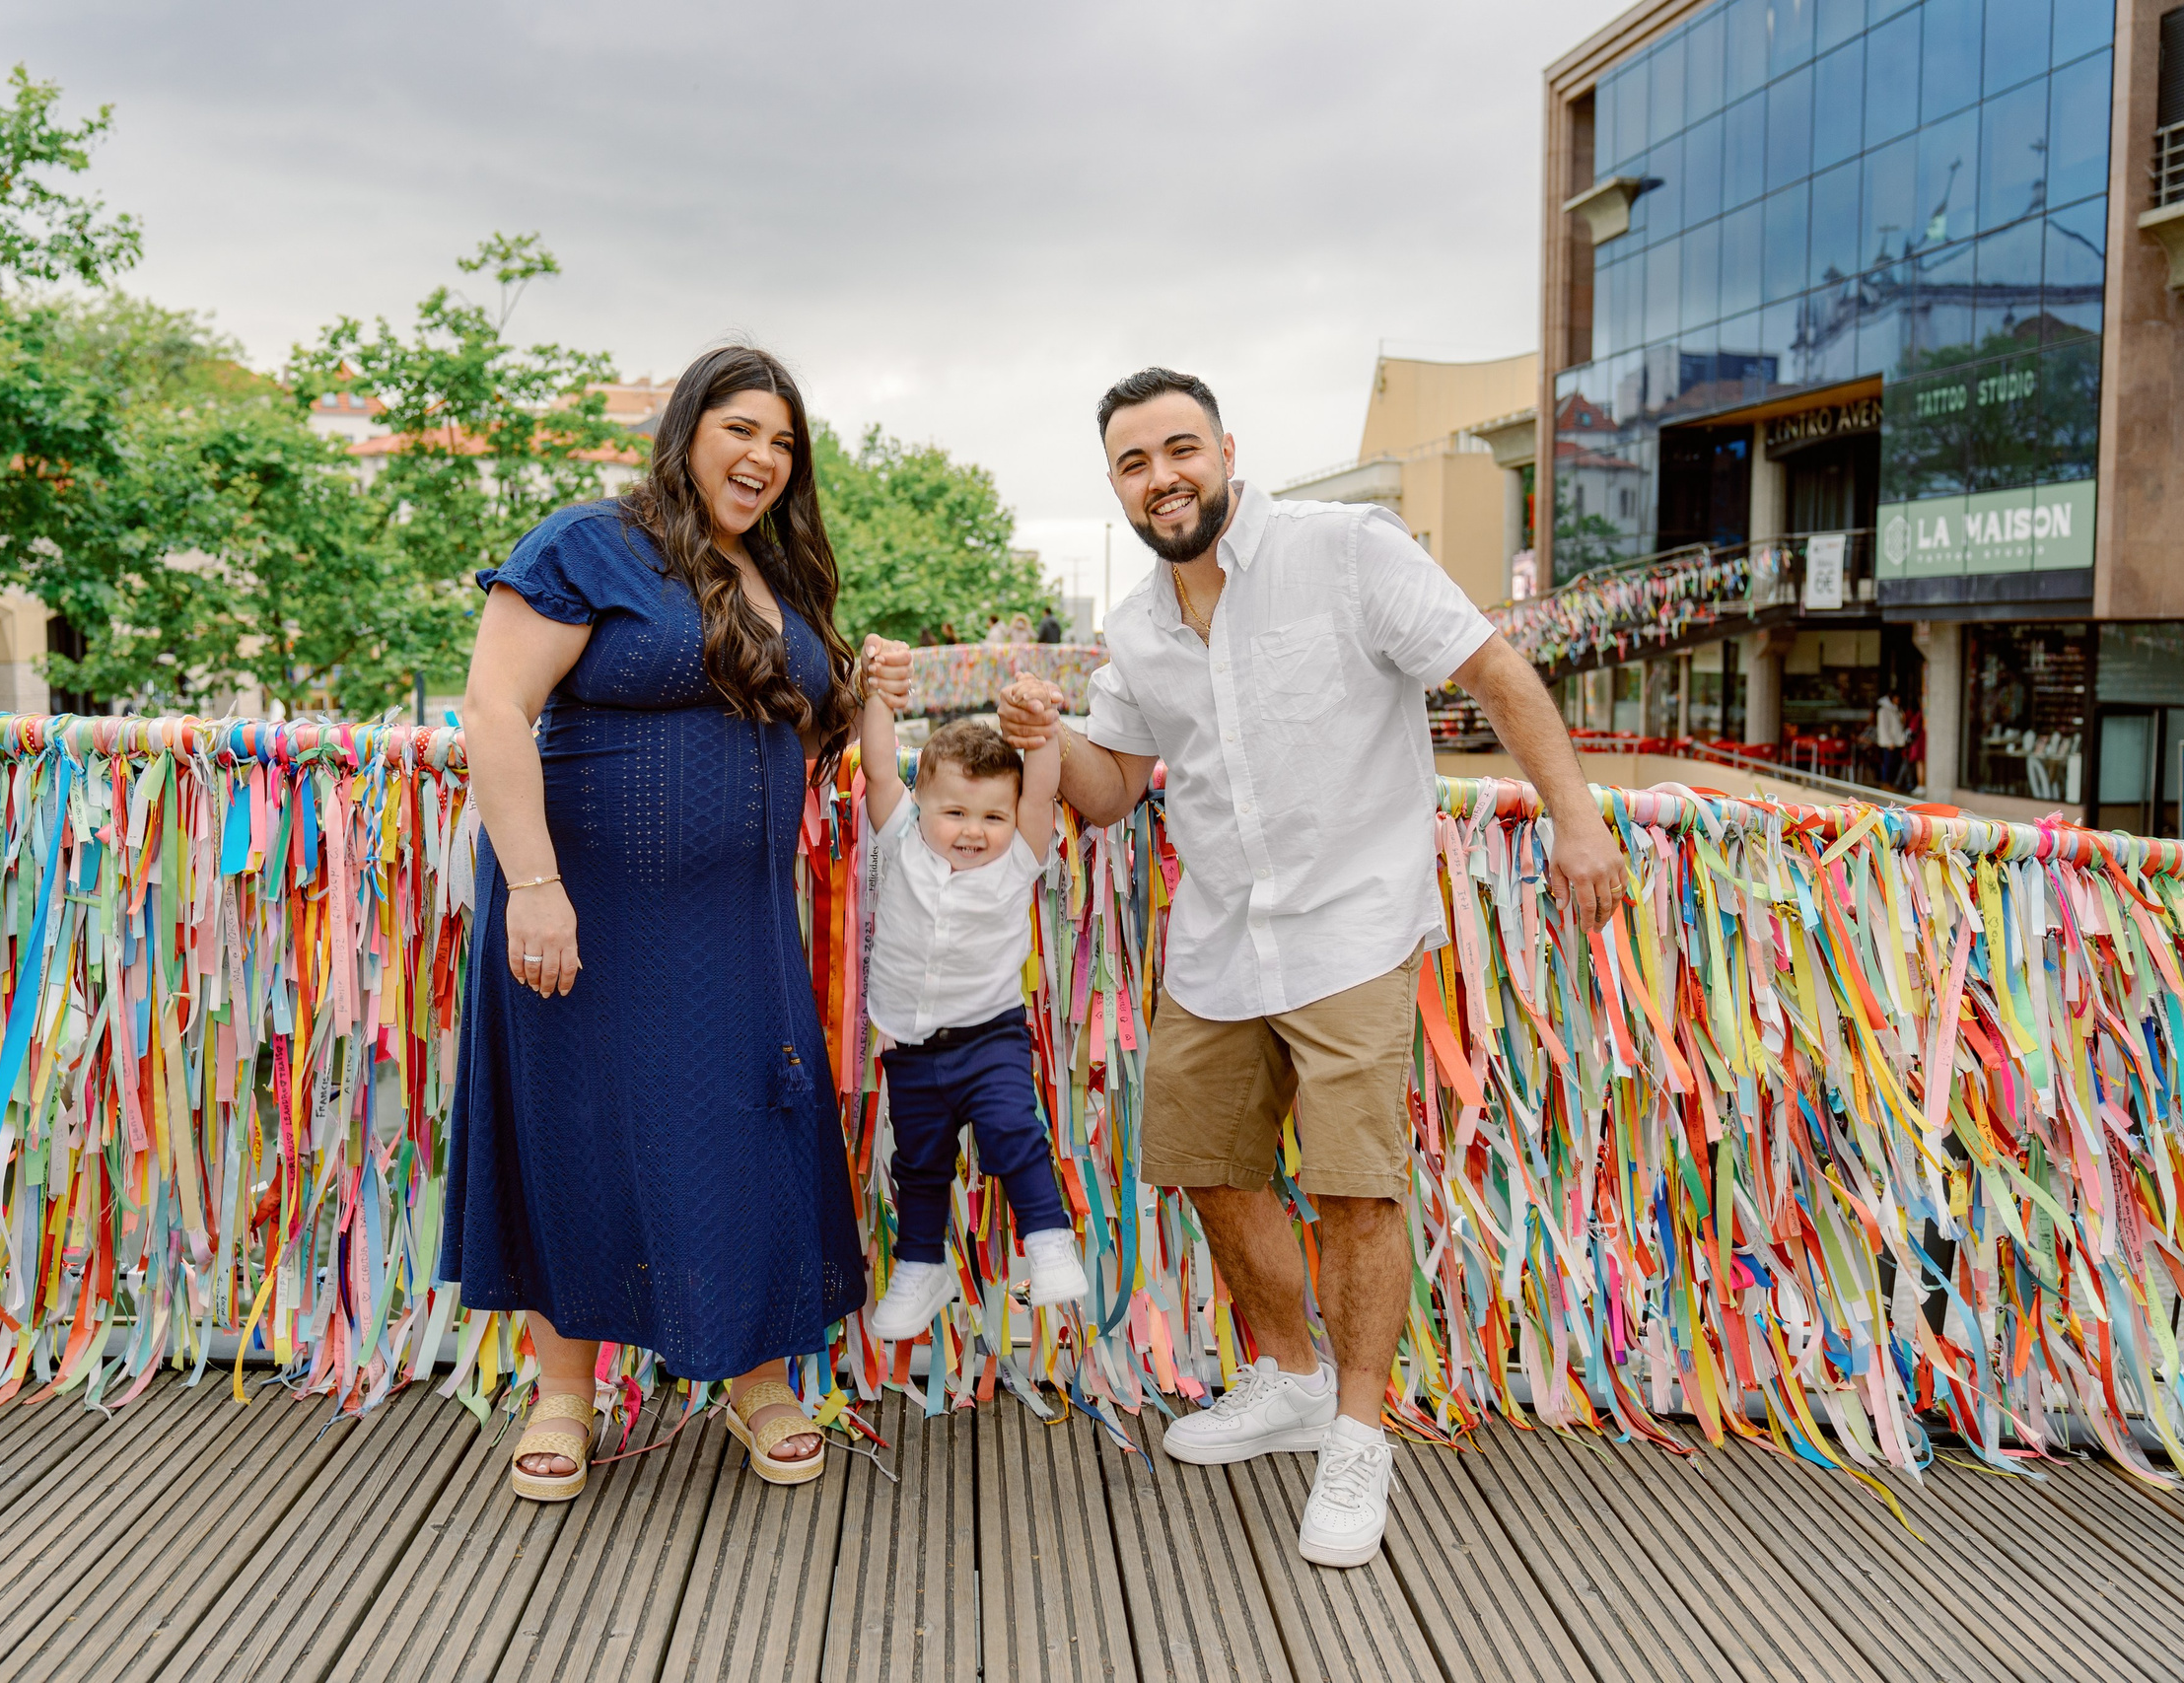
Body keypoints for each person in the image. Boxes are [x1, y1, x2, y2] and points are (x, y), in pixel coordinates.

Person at [996, 368, 1623, 1570]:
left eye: (1179, 449)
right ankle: (1285, 1377)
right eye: (1133, 463)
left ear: (1226, 450)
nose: (1161, 477)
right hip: (1219, 940)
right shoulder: (1135, 626)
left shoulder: (1346, 550)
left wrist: (1577, 819)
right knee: (1205, 1163)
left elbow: (1496, 671)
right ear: (1115, 484)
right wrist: (1048, 738)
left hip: (1351, 926)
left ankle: (1357, 1432)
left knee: (1354, 1189)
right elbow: (1112, 788)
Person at [447, 344, 866, 1501]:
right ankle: (564, 1396)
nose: (764, 458)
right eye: (741, 429)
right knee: (576, 1131)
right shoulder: (591, 544)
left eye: (783, 442)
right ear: (686, 428)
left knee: (752, 1125)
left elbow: (806, 726)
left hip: (739, 926)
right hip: (586, 915)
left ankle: (756, 1380)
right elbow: (494, 707)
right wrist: (535, 888)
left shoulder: (780, 576)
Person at [852, 645, 1089, 1335]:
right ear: (921, 800)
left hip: (990, 1036)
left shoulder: (1019, 857)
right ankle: (921, 1269)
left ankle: (1048, 1241)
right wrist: (877, 696)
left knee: (1013, 1131)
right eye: (955, 812)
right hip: (912, 1044)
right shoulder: (900, 839)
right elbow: (874, 763)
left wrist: (1040, 722)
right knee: (919, 1162)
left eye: (992, 816)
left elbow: (1040, 789)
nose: (973, 832)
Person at [1873, 689, 1910, 790]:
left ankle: (1891, 783)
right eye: (1896, 697)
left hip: (1898, 742)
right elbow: (1883, 727)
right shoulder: (1883, 710)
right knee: (1887, 764)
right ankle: (1886, 783)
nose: (1898, 699)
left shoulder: (1898, 710)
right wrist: (1889, 741)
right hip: (1889, 743)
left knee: (1894, 764)